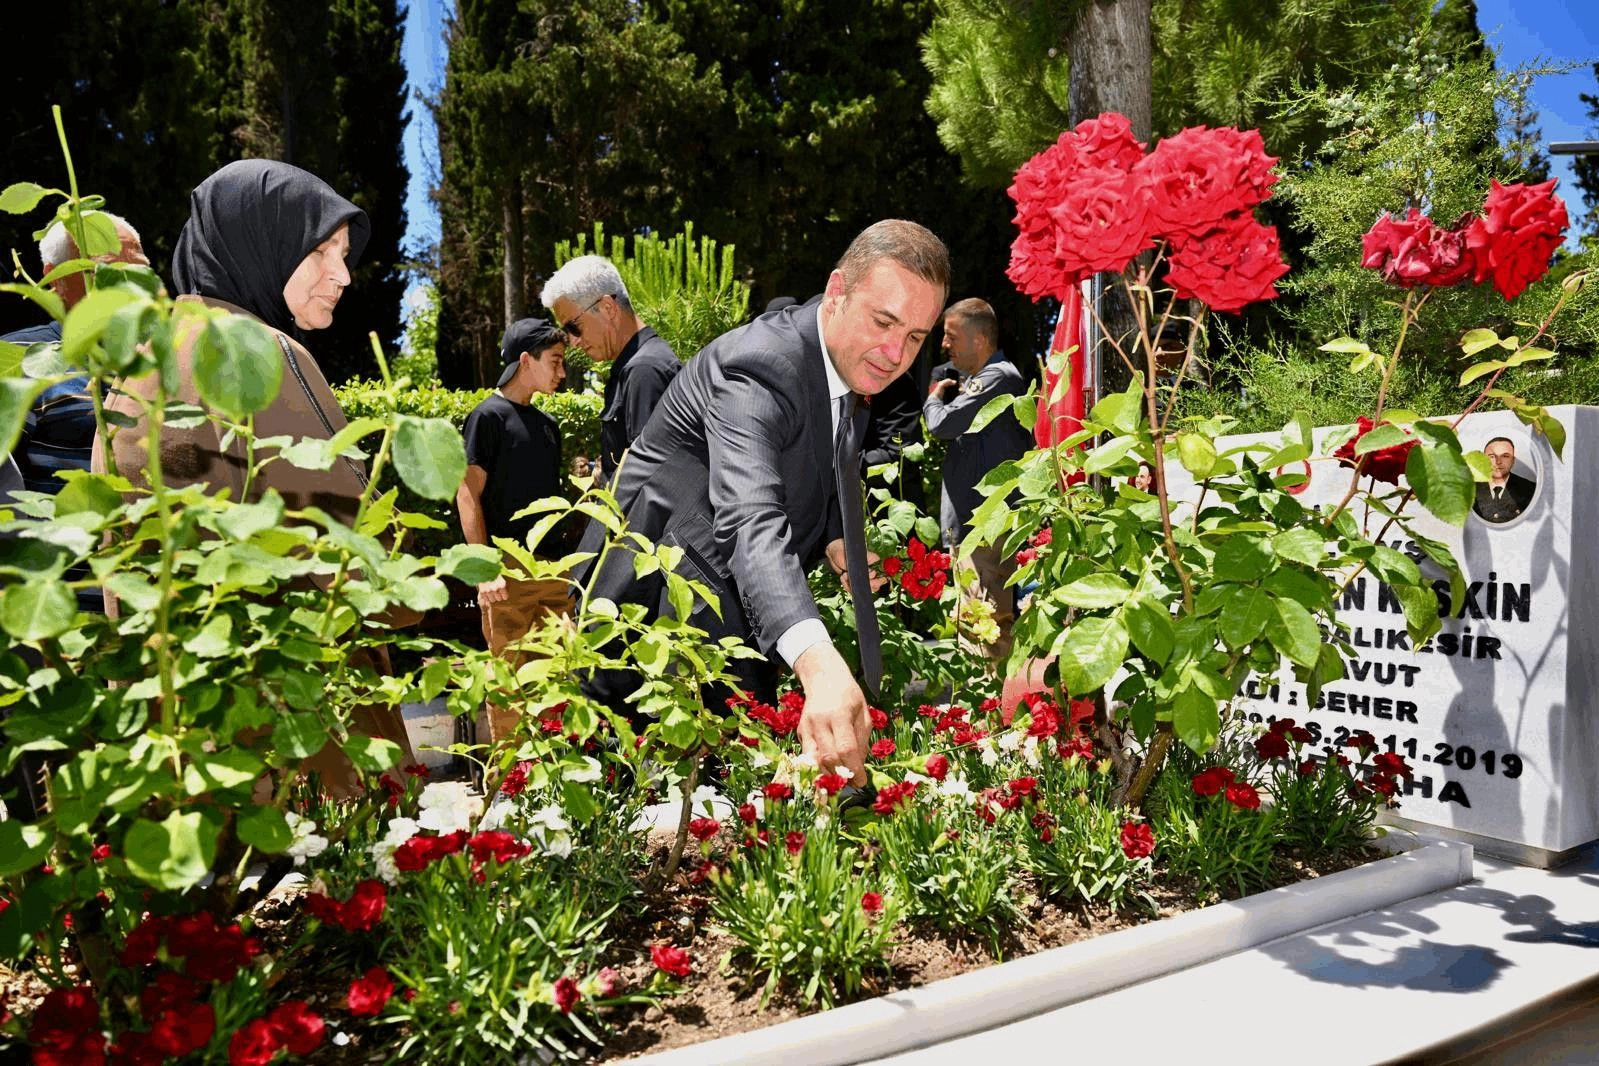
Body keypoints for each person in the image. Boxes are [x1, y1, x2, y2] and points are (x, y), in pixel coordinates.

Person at [577, 219, 948, 782]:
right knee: (644, 824)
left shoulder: (846, 365)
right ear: (838, 290)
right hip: (652, 620)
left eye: (917, 336)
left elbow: (809, 461)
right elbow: (750, 517)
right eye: (884, 321)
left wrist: (834, 536)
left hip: (724, 608)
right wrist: (819, 663)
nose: (897, 352)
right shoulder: (758, 367)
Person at [95, 158, 415, 791]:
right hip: (287, 740)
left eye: (345, 255)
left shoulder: (138, 359)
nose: (342, 275)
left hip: (171, 739)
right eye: (322, 250)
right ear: (259, 240)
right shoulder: (258, 351)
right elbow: (371, 567)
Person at [2, 214, 148, 612]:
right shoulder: (17, 363)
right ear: (54, 278)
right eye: (103, 271)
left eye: (138, 271)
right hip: (57, 627)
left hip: (154, 622)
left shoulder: (164, 366)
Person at [457, 318, 570, 742]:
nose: (561, 372)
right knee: (510, 682)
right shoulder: (486, 417)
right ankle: (508, 789)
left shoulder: (547, 426)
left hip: (553, 572)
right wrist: (485, 569)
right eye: (555, 361)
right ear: (526, 360)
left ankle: (557, 785)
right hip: (507, 572)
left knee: (560, 676)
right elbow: (466, 494)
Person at [923, 298, 1031, 661]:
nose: (944, 345)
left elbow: (942, 424)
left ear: (980, 339)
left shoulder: (996, 377)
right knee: (978, 621)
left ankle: (990, 714)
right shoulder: (989, 378)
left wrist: (933, 398)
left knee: (987, 626)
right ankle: (985, 710)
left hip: (984, 528)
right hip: (978, 526)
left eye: (951, 336)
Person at [540, 256, 678, 479]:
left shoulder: (645, 370)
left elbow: (648, 482)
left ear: (607, 308)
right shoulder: (636, 365)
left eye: (573, 327)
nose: (572, 342)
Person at [1473, 437, 1535, 523]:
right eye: (1492, 456)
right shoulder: (1469, 489)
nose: (1498, 462)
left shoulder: (1531, 490)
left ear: (1513, 461)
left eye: (1505, 456)